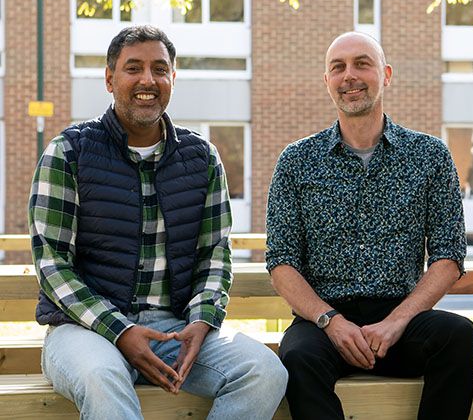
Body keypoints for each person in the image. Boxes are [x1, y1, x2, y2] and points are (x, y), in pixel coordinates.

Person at [28, 25, 287, 420]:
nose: (148, 80)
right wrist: (120, 331)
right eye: (134, 68)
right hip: (85, 332)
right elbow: (52, 265)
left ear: (172, 78)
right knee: (102, 377)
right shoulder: (68, 152)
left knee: (264, 371)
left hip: (174, 330)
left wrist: (203, 321)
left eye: (160, 69)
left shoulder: (202, 157)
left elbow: (215, 254)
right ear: (110, 78)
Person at [266, 31, 473, 420]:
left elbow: (449, 256)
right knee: (296, 357)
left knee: (458, 337)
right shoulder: (296, 161)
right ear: (327, 81)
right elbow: (281, 262)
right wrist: (331, 322)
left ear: (386, 74)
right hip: (324, 321)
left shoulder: (430, 156)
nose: (349, 75)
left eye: (362, 63)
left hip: (402, 321)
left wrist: (397, 322)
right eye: (338, 67)